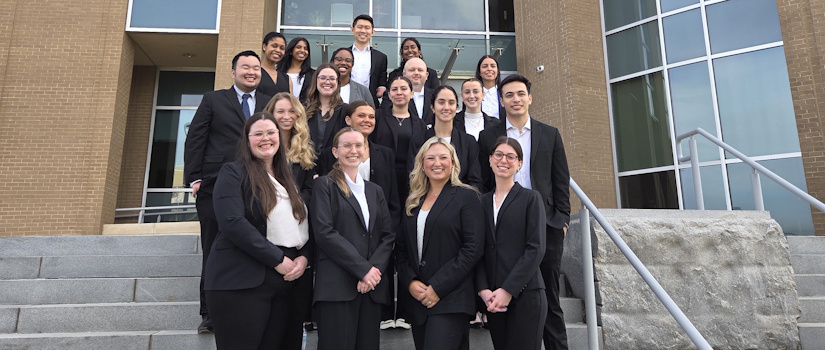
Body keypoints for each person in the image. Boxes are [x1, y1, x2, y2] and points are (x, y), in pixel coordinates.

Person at [478, 74, 571, 350]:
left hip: (546, 225)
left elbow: (560, 179)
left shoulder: (549, 133)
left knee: (550, 301)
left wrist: (562, 219)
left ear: (529, 98)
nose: (515, 99)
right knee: (511, 291)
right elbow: (484, 180)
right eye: (509, 95)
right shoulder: (489, 136)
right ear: (501, 100)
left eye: (520, 94)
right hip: (505, 226)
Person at [205, 112, 312, 349]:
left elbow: (302, 226)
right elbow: (232, 222)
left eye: (271, 133)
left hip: (286, 282)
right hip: (242, 282)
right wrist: (277, 259)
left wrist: (304, 257)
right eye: (258, 134)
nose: (266, 138)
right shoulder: (233, 173)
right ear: (247, 140)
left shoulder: (289, 179)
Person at [184, 50, 273, 334]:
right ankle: (209, 313)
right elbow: (196, 137)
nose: (251, 72)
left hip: (258, 184)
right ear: (232, 72)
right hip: (214, 184)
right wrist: (194, 177)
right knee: (213, 247)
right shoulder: (213, 99)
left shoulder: (268, 102)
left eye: (256, 68)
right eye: (245, 67)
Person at [311, 127, 396, 350]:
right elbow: (324, 233)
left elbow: (387, 236)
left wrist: (373, 272)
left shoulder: (374, 190)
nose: (353, 150)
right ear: (335, 152)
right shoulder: (324, 186)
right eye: (347, 145)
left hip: (371, 289)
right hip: (337, 288)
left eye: (359, 145)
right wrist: (363, 270)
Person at [395, 137, 484, 350]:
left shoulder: (466, 197)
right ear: (422, 165)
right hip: (419, 301)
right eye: (431, 158)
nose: (437, 163)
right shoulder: (413, 202)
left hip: (451, 299)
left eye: (443, 158)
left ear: (453, 163)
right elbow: (401, 249)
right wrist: (410, 282)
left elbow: (472, 249)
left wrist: (438, 287)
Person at [476, 136, 547, 350]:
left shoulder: (531, 199)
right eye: (498, 155)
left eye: (510, 156)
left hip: (526, 296)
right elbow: (476, 250)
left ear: (519, 164)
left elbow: (536, 248)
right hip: (494, 300)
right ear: (490, 160)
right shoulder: (481, 202)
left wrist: (508, 290)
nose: (503, 160)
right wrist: (483, 290)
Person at [411, 85, 482, 190]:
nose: (446, 107)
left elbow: (475, 181)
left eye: (451, 103)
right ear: (432, 107)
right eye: (441, 102)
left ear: (456, 107)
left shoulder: (468, 141)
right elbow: (413, 177)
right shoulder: (419, 140)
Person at [371, 76, 427, 207]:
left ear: (412, 94)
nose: (399, 93)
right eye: (394, 89)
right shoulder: (377, 117)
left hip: (409, 177)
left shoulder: (420, 124)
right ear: (389, 95)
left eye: (404, 89)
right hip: (382, 175)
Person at [263, 92, 316, 204]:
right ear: (271, 114)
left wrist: (296, 203)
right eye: (280, 111)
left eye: (292, 111)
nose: (286, 116)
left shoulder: (304, 149)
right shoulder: (261, 147)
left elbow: (308, 188)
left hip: (295, 212)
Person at [305, 63, 348, 154]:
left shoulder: (345, 111)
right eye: (323, 78)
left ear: (337, 82)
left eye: (332, 78)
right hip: (306, 164)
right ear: (315, 80)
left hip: (335, 165)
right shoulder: (304, 109)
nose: (327, 82)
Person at [380, 57, 435, 126]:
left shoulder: (435, 96)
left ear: (426, 75)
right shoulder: (394, 95)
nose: (416, 73)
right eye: (412, 70)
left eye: (420, 70)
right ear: (404, 74)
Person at [350, 14, 388, 107]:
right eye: (360, 27)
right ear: (352, 30)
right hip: (345, 102)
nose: (363, 31)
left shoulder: (380, 57)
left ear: (372, 32)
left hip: (370, 104)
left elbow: (381, 83)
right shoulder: (341, 54)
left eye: (367, 28)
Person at [277, 37, 314, 103]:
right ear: (291, 51)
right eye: (298, 47)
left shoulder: (313, 74)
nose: (302, 50)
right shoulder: (279, 73)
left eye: (305, 48)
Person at [259, 32, 293, 97]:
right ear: (264, 47)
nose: (278, 50)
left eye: (282, 48)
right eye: (274, 46)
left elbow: (291, 102)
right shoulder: (255, 73)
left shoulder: (286, 78)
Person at [475, 55, 503, 119]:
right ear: (479, 72)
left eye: (493, 66)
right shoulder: (473, 95)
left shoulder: (504, 94)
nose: (489, 69)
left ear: (497, 71)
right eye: (485, 66)